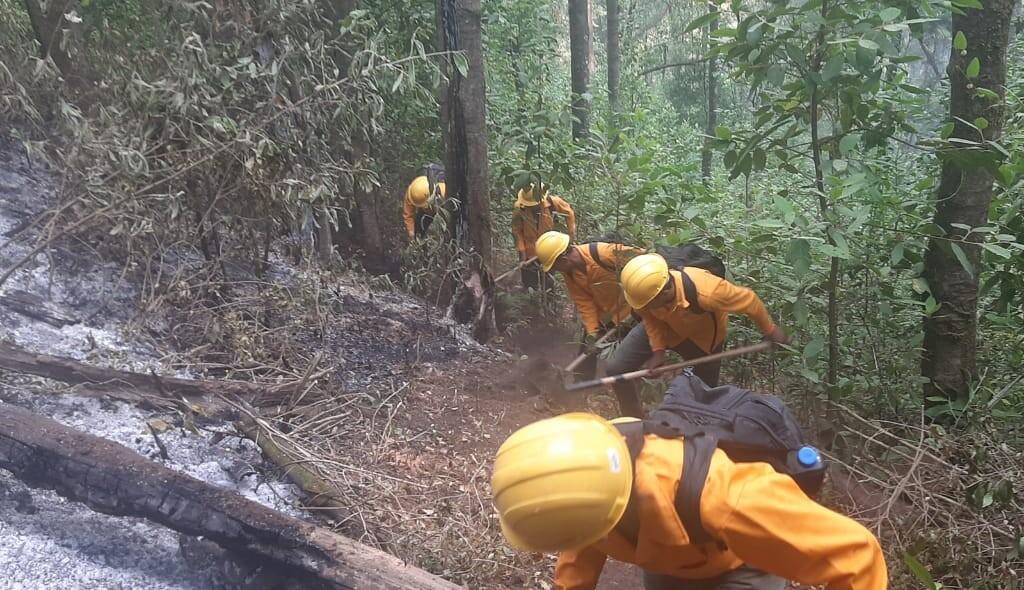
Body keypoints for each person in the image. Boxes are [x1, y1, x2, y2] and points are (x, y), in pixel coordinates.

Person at [491, 412, 888, 590]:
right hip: (668, 562)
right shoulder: (580, 483)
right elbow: (581, 548)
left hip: (738, 566)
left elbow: (856, 557)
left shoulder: (724, 496)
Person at [609, 253, 787, 417]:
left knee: (704, 397)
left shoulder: (708, 292)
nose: (643, 307)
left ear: (665, 292)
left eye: (648, 303)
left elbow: (750, 300)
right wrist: (658, 350)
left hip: (702, 341)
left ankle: (696, 436)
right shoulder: (646, 296)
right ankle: (633, 421)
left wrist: (770, 330)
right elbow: (650, 318)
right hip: (666, 329)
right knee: (616, 370)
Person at [534, 231, 643, 382]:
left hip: (635, 313)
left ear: (564, 259)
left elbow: (647, 262)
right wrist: (593, 333)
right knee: (586, 351)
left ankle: (631, 388)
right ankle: (581, 388)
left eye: (555, 266)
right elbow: (585, 303)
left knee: (627, 357)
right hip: (607, 316)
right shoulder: (570, 273)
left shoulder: (606, 254)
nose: (557, 271)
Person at [511, 183, 576, 291]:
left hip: (549, 248)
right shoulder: (520, 208)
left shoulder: (553, 202)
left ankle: (549, 302)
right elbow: (517, 231)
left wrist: (570, 235)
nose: (531, 207)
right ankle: (531, 301)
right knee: (529, 284)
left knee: (548, 281)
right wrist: (522, 254)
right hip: (529, 250)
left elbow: (569, 213)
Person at [403, 167, 447, 240]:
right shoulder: (412, 192)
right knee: (419, 226)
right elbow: (408, 215)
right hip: (426, 211)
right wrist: (411, 231)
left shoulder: (443, 191)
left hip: (441, 209)